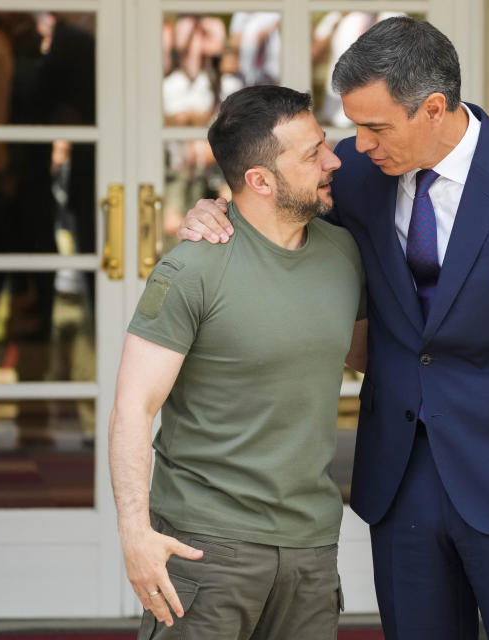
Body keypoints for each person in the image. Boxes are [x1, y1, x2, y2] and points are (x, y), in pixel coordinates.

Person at [179, 17, 489, 640]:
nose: (358, 143)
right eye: (352, 125)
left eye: (376, 126)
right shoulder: (356, 172)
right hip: (400, 480)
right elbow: (268, 201)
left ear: (434, 108)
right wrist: (211, 213)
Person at [109, 85, 367, 639]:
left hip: (311, 548)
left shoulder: (344, 253)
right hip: (207, 549)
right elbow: (134, 407)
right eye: (312, 154)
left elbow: (377, 356)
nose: (332, 161)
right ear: (260, 181)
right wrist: (135, 534)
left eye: (324, 144)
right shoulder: (192, 270)